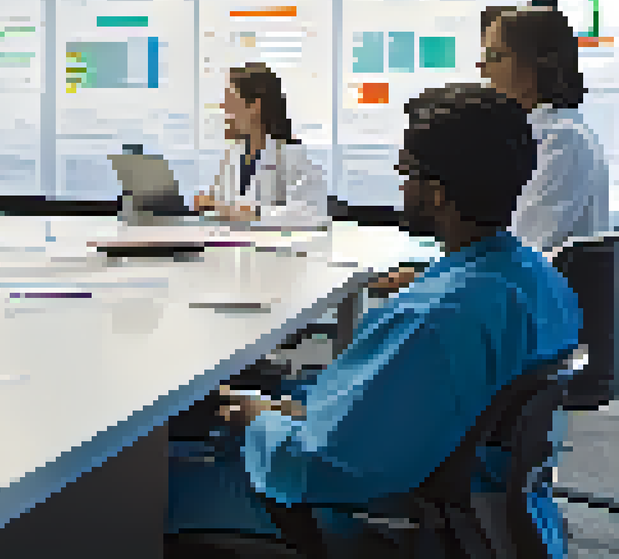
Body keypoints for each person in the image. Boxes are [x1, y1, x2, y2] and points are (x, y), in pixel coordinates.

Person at [166, 83, 581, 558]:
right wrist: (291, 404)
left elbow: (319, 464)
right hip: (488, 502)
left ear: (438, 194)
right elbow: (397, 407)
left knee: (151, 484)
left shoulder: (436, 318)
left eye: (406, 172)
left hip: (372, 515)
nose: (400, 183)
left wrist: (257, 418)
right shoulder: (533, 277)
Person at [372, 5, 610, 294]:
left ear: (537, 66)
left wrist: (427, 279)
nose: (482, 69)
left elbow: (519, 248)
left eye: (495, 56)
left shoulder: (562, 139)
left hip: (525, 306)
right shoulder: (542, 131)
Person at [193, 62, 329, 228]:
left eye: (230, 100)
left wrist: (253, 213)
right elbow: (225, 207)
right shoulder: (235, 155)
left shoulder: (292, 155)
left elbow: (311, 212)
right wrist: (209, 204)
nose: (223, 107)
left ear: (254, 106)